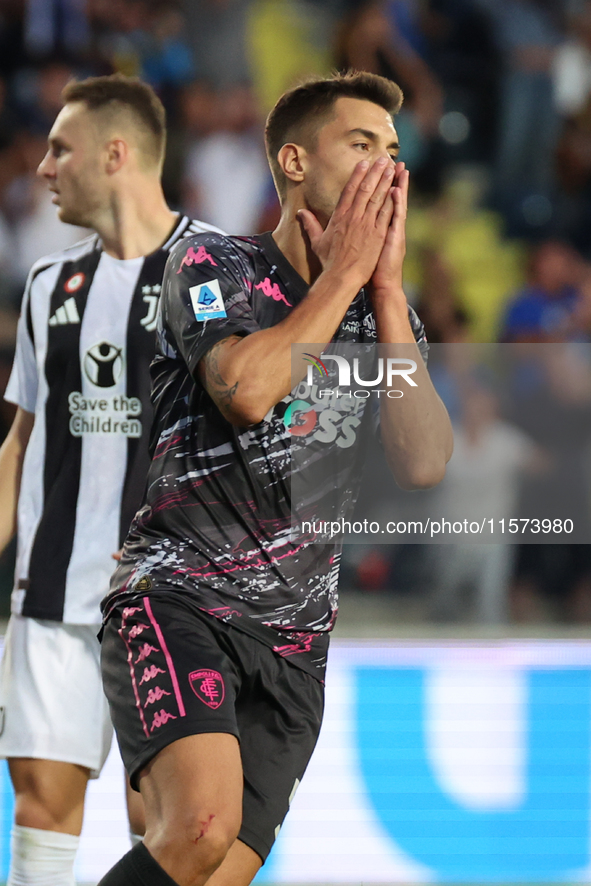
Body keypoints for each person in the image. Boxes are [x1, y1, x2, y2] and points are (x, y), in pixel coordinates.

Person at [98, 70, 454, 886]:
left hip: (295, 646)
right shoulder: (212, 262)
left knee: (207, 868)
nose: (386, 168)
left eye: (394, 152)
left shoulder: (383, 319)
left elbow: (425, 461)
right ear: (294, 162)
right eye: (361, 144)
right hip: (181, 597)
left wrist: (387, 286)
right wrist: (340, 278)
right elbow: (248, 389)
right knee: (200, 825)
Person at [0, 73, 221, 885]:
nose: (44, 168)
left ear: (115, 154)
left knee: (162, 825)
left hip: (167, 606)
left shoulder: (214, 272)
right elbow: (21, 443)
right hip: (51, 597)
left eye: (61, 148)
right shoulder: (45, 286)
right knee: (39, 817)